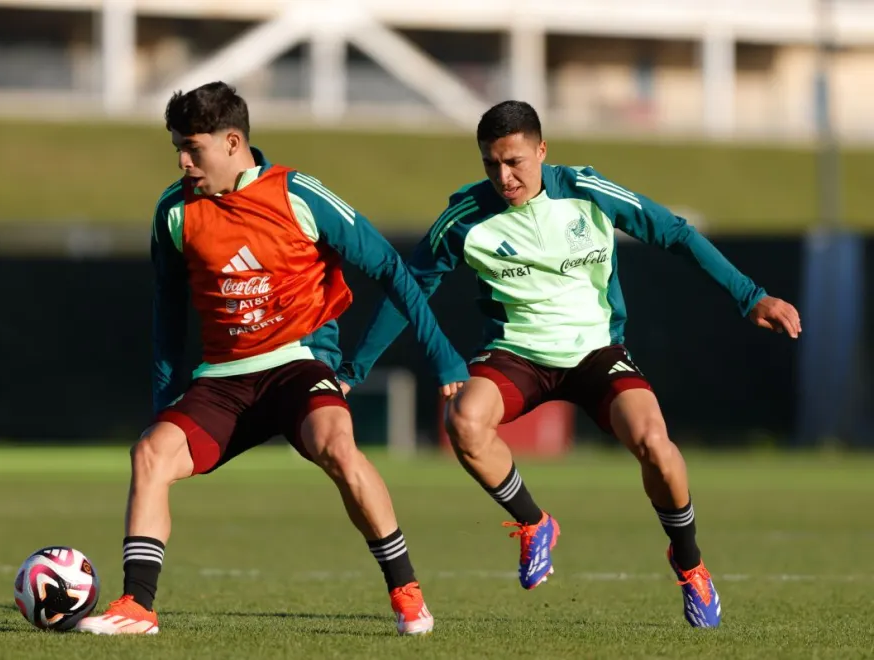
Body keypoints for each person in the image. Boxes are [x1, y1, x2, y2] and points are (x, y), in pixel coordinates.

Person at [337, 100, 802, 629]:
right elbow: (407, 288)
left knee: (656, 446)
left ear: (541, 150)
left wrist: (750, 296)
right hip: (517, 351)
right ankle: (534, 524)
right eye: (491, 164)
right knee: (463, 421)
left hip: (597, 352)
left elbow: (674, 232)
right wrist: (353, 371)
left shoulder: (586, 190)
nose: (504, 176)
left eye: (514, 161)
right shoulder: (466, 216)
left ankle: (690, 564)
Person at [76, 82, 467, 637]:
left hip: (298, 364)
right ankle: (138, 606)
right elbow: (167, 316)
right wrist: (164, 404)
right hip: (223, 381)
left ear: (233, 141)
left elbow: (391, 271)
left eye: (193, 148)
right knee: (150, 454)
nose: (184, 162)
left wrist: (446, 359)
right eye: (177, 150)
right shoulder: (174, 212)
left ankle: (406, 593)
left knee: (337, 443)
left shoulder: (299, 196)